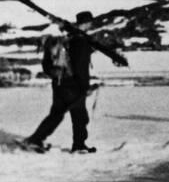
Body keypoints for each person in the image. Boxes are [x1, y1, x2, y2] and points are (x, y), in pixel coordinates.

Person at [21, 11, 109, 153]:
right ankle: (78, 145)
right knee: (80, 116)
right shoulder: (80, 40)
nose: (91, 24)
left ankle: (36, 139)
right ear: (86, 23)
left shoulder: (68, 39)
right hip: (73, 85)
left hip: (60, 83)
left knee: (57, 114)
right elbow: (79, 66)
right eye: (90, 22)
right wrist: (85, 87)